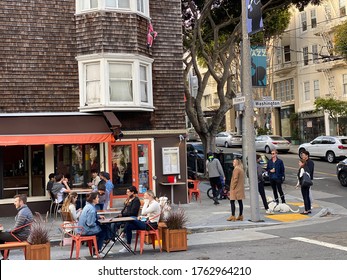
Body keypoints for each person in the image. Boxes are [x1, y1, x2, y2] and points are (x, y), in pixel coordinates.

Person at [0, 194, 34, 259]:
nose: (14, 203)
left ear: (21, 202)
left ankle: (5, 258)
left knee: (1, 235)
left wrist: (7, 231)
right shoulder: (25, 210)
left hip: (21, 236)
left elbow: (16, 229)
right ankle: (5, 258)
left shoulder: (23, 212)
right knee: (2, 236)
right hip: (21, 234)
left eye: (16, 201)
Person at [77, 192, 109, 258]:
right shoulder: (92, 209)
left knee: (103, 228)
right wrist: (97, 224)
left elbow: (91, 216)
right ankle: (97, 251)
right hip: (86, 230)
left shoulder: (88, 206)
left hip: (81, 229)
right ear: (93, 199)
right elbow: (90, 223)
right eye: (97, 197)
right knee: (103, 232)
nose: (98, 199)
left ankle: (98, 248)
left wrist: (98, 217)